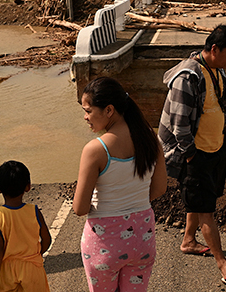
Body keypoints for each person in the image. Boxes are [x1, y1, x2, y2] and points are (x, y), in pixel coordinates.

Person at [157, 24, 226, 286]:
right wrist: (190, 155)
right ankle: (223, 263)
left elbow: (222, 106)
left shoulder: (217, 71)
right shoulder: (188, 77)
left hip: (215, 147)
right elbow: (179, 123)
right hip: (194, 153)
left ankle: (188, 241)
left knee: (199, 200)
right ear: (214, 49)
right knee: (206, 209)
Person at [73, 77, 167, 292]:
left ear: (109, 110)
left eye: (88, 110)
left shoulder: (95, 149)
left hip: (104, 244)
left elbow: (80, 208)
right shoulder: (151, 139)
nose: (85, 117)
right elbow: (160, 189)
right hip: (143, 239)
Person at [0, 161, 51, 292]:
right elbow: (47, 239)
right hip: (33, 267)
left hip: (7, 270)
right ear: (28, 187)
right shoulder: (34, 211)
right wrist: (37, 253)